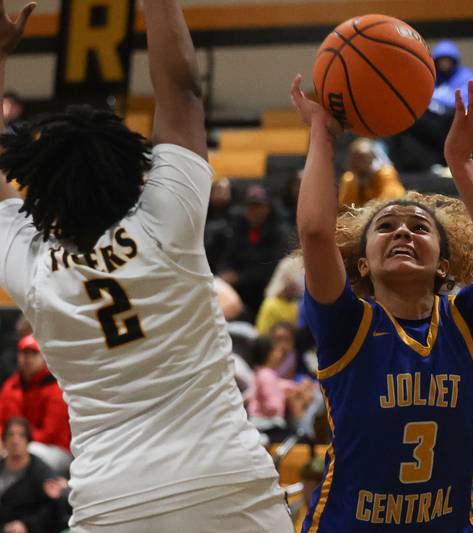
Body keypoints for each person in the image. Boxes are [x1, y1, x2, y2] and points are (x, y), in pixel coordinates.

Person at [0, 2, 292, 531]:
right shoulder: (167, 222)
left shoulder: (38, 274)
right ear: (130, 174)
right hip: (224, 480)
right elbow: (181, 94)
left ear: (43, 192)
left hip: (113, 502)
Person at [291, 75, 473, 531]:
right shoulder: (346, 323)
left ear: (444, 264)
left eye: (420, 227)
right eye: (386, 227)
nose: (403, 231)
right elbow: (317, 234)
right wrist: (321, 135)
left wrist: (460, 162)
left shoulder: (463, 322)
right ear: (361, 265)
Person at [389, 40, 473, 171]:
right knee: (404, 121)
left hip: (454, 120)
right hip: (430, 120)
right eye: (441, 59)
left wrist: (438, 103)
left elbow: (466, 102)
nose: (445, 63)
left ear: (454, 61)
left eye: (448, 59)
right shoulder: (430, 76)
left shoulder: (466, 76)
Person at [218, 184, 291, 320]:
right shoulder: (236, 230)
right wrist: (225, 274)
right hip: (238, 296)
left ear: (267, 208)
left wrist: (239, 277)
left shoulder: (279, 234)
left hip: (264, 294)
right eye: (250, 206)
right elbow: (226, 258)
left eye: (259, 206)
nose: (254, 211)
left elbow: (272, 267)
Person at [0, 336, 70, 476]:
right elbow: (3, 422)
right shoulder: (11, 387)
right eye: (24, 354)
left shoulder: (55, 389)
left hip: (54, 450)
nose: (28, 359)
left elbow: (50, 433)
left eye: (33, 354)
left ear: (43, 357)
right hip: (15, 444)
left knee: (31, 453)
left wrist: (18, 443)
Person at [0, 418, 66, 533]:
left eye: (21, 435)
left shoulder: (40, 471)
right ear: (4, 440)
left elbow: (53, 511)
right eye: (11, 435)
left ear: (28, 440)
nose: (15, 440)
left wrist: (26, 525)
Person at [338, 138, 405, 207]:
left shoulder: (386, 173)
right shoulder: (349, 178)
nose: (359, 164)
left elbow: (390, 202)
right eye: (356, 159)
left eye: (363, 158)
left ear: (372, 159)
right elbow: (345, 207)